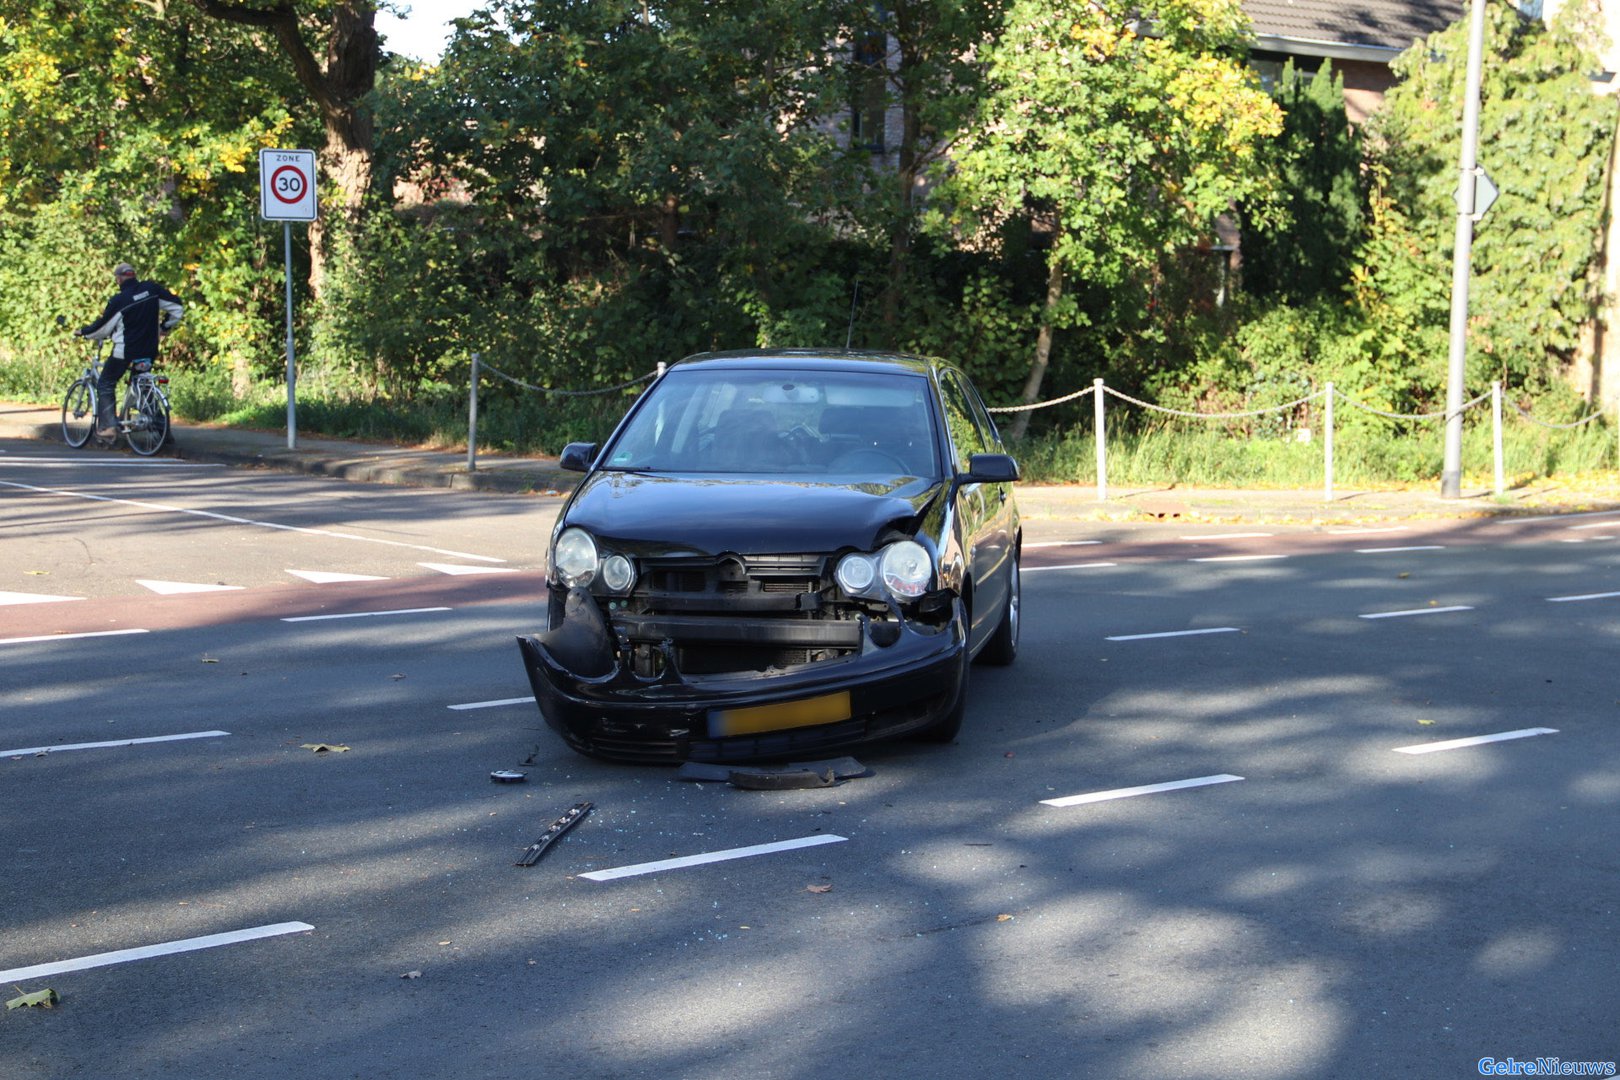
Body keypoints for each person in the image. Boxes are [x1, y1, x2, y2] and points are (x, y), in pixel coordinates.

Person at [78, 262, 183, 441]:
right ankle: (162, 433)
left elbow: (103, 328)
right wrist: (164, 327)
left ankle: (108, 427)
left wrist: (85, 332)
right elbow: (177, 308)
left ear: (118, 279)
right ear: (134, 275)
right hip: (149, 350)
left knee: (106, 382)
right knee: (142, 386)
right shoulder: (151, 289)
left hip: (125, 352)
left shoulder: (119, 300)